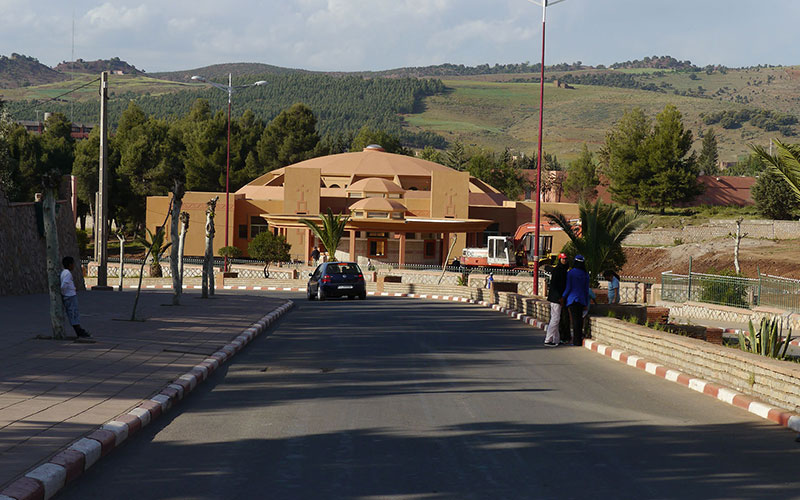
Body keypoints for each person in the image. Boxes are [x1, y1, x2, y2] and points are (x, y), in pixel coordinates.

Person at [561, 254, 590, 346]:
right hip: (581, 299)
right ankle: (578, 339)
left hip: (572, 299)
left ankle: (576, 341)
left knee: (575, 320)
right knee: (580, 320)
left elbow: (568, 287)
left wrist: (563, 296)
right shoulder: (585, 274)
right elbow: (586, 289)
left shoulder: (571, 273)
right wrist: (586, 302)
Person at [60, 256, 91, 338]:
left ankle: (79, 329)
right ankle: (79, 330)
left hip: (70, 295)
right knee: (73, 313)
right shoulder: (67, 273)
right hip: (70, 296)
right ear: (70, 265)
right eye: (73, 264)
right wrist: (64, 292)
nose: (74, 266)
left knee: (73, 313)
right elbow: (64, 285)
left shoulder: (64, 272)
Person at [544, 253, 569, 346]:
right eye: (563, 259)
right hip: (556, 298)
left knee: (556, 319)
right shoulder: (559, 271)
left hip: (557, 298)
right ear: (560, 260)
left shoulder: (562, 270)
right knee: (555, 319)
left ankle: (556, 340)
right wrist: (560, 298)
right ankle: (548, 339)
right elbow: (556, 286)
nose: (565, 261)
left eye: (566, 259)